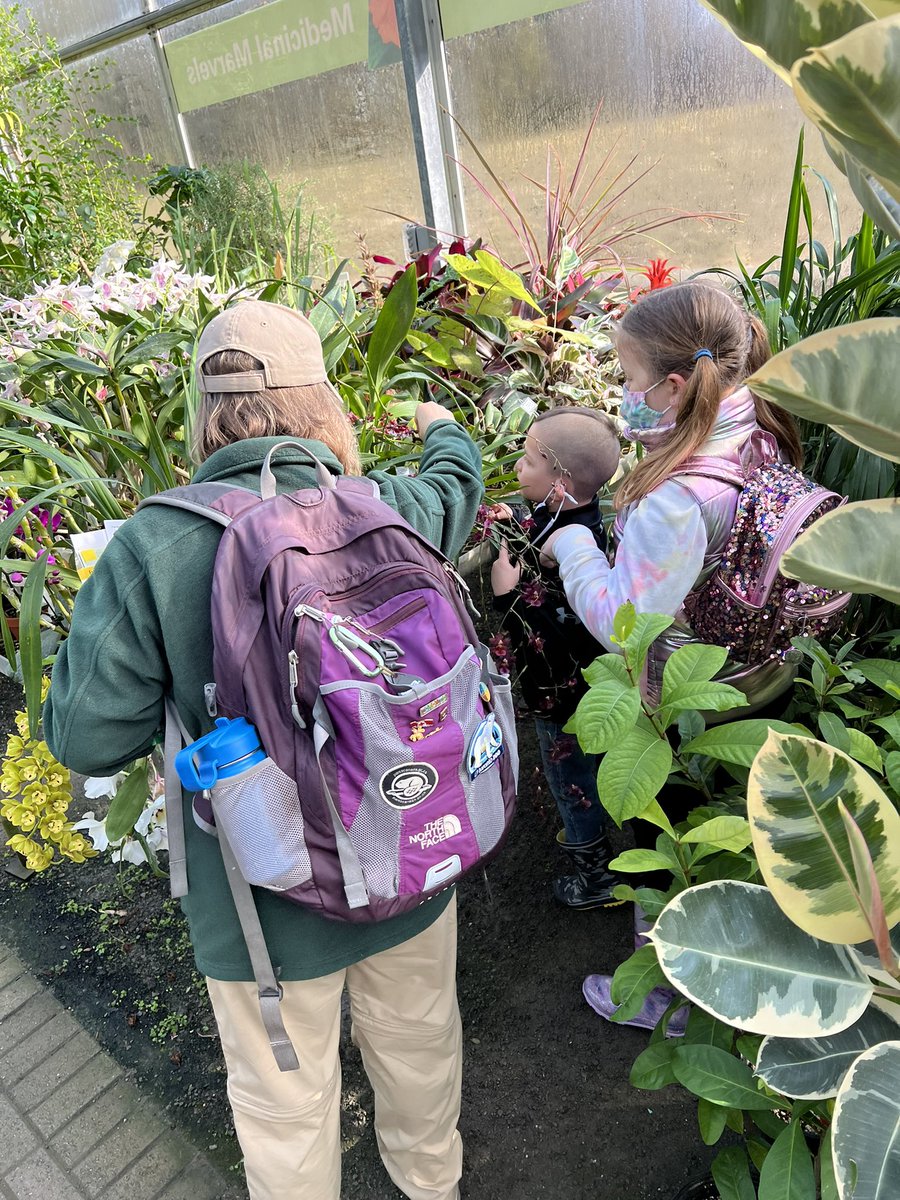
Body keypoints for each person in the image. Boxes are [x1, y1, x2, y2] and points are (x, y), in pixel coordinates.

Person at [44, 300, 485, 1200]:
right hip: (407, 847)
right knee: (421, 1045)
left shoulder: (153, 545)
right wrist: (444, 430)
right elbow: (455, 486)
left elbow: (87, 736)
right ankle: (433, 1187)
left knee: (284, 1103)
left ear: (204, 415)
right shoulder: (382, 506)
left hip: (262, 889)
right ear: (321, 401)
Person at [540, 281, 802, 1033]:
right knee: (740, 822)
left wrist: (577, 547)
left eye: (628, 379)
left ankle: (671, 999)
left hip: (692, 695)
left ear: (675, 384)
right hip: (765, 663)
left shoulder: (676, 502)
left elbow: (627, 624)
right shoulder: (758, 421)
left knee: (670, 840)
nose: (625, 394)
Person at [490, 405, 621, 908]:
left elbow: (563, 631)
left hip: (564, 693)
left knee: (572, 778)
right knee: (583, 769)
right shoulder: (564, 517)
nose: (518, 468)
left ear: (559, 485)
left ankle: (596, 880)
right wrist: (513, 529)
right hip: (573, 687)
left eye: (528, 461)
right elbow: (539, 544)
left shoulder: (580, 544)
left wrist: (507, 597)